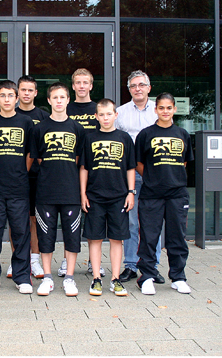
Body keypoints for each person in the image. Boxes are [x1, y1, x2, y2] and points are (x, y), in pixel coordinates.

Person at [30, 82, 85, 297]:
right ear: (49, 100)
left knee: (72, 236)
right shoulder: (39, 129)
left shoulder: (77, 129)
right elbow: (38, 158)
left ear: (68, 100)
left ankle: (69, 277)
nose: (59, 101)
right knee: (45, 235)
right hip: (46, 191)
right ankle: (47, 277)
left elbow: (78, 160)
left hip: (70, 191)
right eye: (55, 97)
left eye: (63, 97)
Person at [135, 92, 193, 295]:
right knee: (149, 236)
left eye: (169, 108)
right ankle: (147, 276)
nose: (165, 111)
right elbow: (139, 163)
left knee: (177, 237)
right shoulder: (146, 134)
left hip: (177, 194)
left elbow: (184, 162)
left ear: (174, 109)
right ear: (155, 109)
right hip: (151, 194)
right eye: (161, 108)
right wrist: (153, 178)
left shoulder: (183, 134)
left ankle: (178, 277)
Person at [0, 80, 34, 294]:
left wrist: (21, 172)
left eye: (10, 95)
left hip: (19, 187)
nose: (7, 99)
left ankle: (22, 277)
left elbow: (30, 153)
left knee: (21, 233)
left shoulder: (26, 122)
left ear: (17, 98)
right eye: (3, 95)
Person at [80, 98, 135, 296]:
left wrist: (131, 192)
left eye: (109, 114)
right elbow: (84, 168)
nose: (105, 118)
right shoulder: (89, 138)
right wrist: (83, 194)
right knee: (95, 239)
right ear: (96, 116)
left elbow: (130, 168)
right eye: (101, 114)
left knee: (116, 239)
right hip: (94, 196)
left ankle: (115, 279)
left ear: (115, 115)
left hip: (118, 196)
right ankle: (96, 278)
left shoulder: (124, 138)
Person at [115, 70, 165, 284]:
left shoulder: (158, 111)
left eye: (141, 85)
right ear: (129, 90)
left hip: (155, 173)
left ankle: (151, 266)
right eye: (133, 86)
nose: (138, 89)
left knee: (153, 223)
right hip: (130, 173)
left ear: (149, 88)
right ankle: (131, 265)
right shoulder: (120, 113)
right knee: (132, 222)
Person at [62, 68, 105, 279]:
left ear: (91, 85)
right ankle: (66, 259)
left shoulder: (98, 109)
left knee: (94, 217)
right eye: (77, 82)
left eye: (85, 82)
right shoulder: (66, 108)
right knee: (68, 216)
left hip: (95, 170)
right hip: (69, 169)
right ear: (73, 86)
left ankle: (92, 262)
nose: (81, 86)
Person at [11, 75, 48, 279]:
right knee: (16, 219)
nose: (26, 93)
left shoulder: (43, 116)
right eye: (23, 90)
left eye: (30, 90)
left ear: (36, 93)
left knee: (34, 219)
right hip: (14, 176)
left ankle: (34, 259)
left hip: (37, 176)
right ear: (18, 93)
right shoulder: (11, 114)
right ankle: (17, 259)